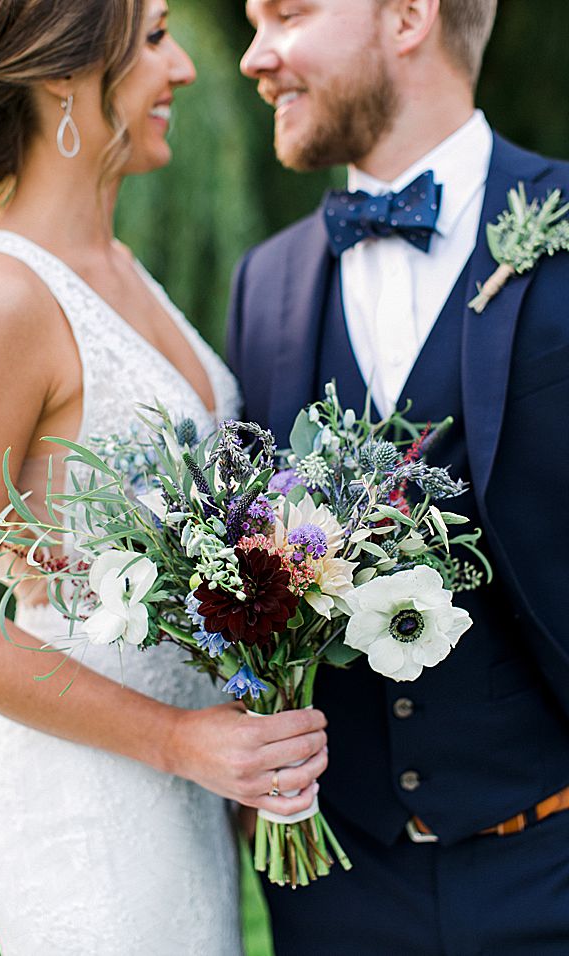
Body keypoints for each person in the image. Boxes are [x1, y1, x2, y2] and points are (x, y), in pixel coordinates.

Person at [0, 2, 328, 953]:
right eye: (153, 37)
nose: (187, 67)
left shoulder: (121, 269)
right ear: (65, 77)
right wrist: (176, 741)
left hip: (194, 790)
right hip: (92, 808)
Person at [230, 1, 569, 951]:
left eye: (287, 14)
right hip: (335, 885)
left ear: (410, 16)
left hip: (551, 861)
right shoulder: (266, 283)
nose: (257, 55)